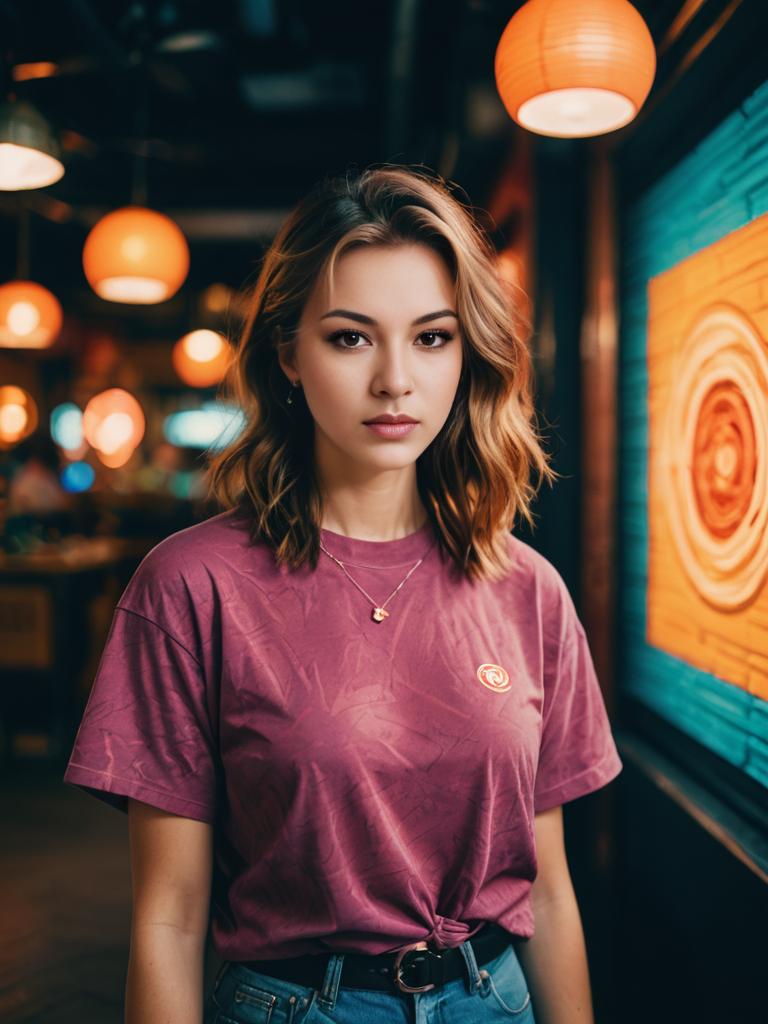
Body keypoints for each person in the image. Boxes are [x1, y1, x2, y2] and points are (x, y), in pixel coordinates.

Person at [63, 163, 623, 1024]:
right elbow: (169, 918)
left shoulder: (529, 589)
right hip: (295, 1004)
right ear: (287, 352)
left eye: (432, 337)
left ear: (468, 353)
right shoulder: (193, 586)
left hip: (494, 998)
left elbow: (545, 895)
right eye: (351, 337)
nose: (396, 379)